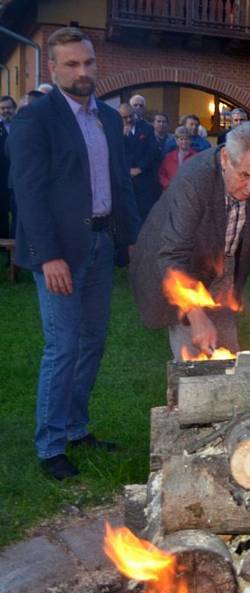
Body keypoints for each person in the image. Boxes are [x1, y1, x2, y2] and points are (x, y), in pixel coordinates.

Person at [8, 27, 140, 480]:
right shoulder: (35, 119)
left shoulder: (106, 117)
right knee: (62, 346)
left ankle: (75, 428)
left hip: (101, 244)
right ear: (53, 67)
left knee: (92, 344)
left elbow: (120, 184)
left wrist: (131, 238)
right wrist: (48, 256)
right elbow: (28, 194)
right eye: (71, 64)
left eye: (88, 63)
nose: (82, 72)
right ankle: (49, 446)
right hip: (60, 252)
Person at [130, 122, 250, 358]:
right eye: (244, 175)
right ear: (224, 158)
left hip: (224, 262)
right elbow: (172, 255)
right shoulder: (195, 179)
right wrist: (195, 313)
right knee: (194, 356)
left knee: (227, 353)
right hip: (180, 263)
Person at [119, 102, 160, 220]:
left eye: (130, 116)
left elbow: (152, 151)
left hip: (144, 178)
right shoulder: (116, 130)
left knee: (144, 213)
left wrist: (140, 168)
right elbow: (115, 153)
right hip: (125, 179)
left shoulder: (146, 128)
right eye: (125, 117)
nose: (129, 119)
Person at [157, 126, 198, 190]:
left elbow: (199, 176)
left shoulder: (196, 157)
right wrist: (169, 185)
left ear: (190, 140)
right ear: (176, 141)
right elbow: (162, 175)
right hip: (171, 191)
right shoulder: (169, 157)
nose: (184, 142)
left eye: (186, 139)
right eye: (181, 139)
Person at [0, 95, 15, 241]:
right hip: (2, 176)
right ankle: (4, 244)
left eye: (8, 108)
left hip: (18, 175)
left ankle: (17, 242)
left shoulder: (21, 125)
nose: (6, 111)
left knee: (18, 211)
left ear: (14, 108)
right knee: (2, 211)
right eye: (3, 108)